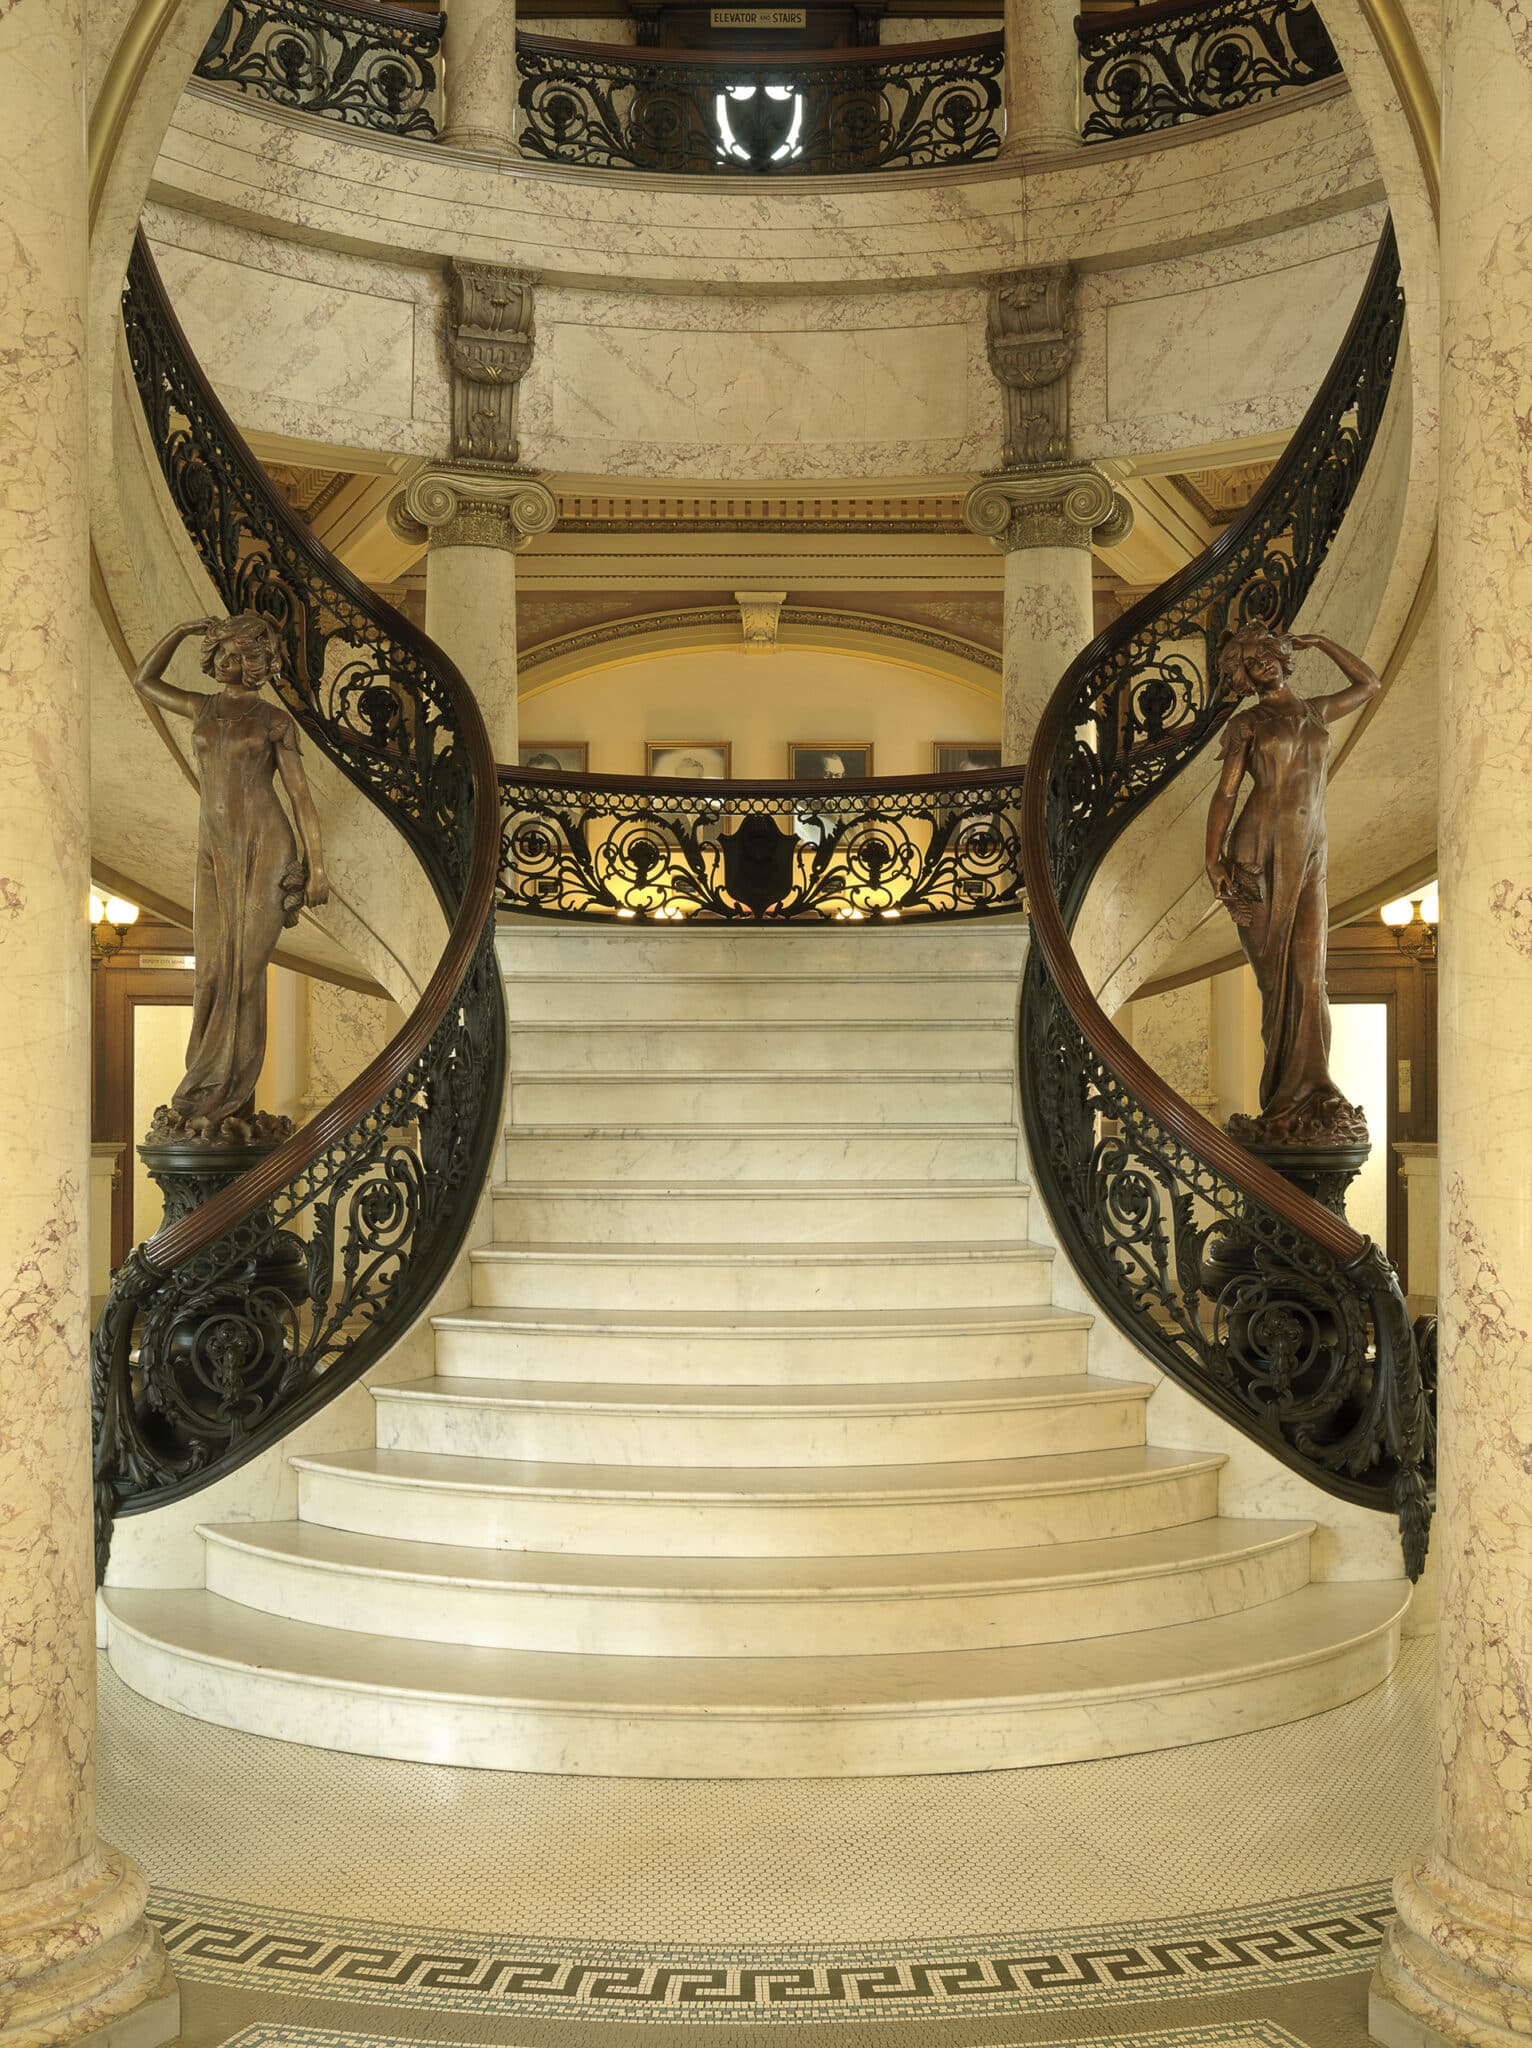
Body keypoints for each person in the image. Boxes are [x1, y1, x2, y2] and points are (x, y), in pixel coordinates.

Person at [132, 612, 328, 1139]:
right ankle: (201, 1094)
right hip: (214, 851)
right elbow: (144, 681)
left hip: (266, 845)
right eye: (220, 652)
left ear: (257, 664)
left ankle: (231, 1098)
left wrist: (317, 865)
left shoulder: (272, 721)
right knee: (212, 977)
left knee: (244, 975)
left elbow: (301, 796)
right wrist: (181, 629)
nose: (226, 661)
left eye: (238, 655)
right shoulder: (202, 706)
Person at [1204, 620, 1380, 1146]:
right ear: (1243, 675)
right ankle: (1283, 1095)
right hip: (1260, 848)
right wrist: (1212, 859)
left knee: (1310, 974)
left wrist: (1325, 641)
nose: (1260, 665)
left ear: (1282, 654)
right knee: (1276, 980)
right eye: (1249, 663)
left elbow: (1369, 685)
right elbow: (1226, 795)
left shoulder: (1315, 711)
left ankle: (1313, 1089)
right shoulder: (1248, 724)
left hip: (1312, 848)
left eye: (1265, 655)